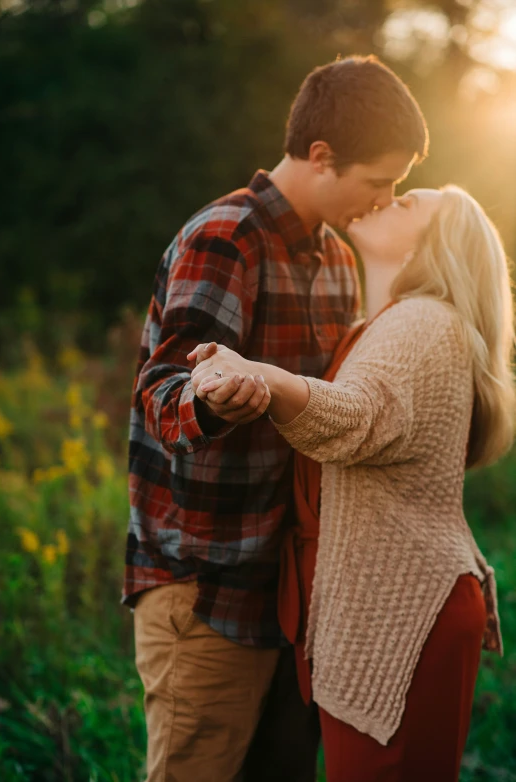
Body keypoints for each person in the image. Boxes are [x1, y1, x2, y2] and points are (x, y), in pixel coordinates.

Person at [124, 54, 428, 782]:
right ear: (321, 156)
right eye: (378, 182)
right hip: (206, 589)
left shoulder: (336, 260)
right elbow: (163, 388)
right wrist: (211, 398)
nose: (385, 201)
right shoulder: (227, 236)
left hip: (293, 590)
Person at [189, 184, 515, 781]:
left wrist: (256, 374)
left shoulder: (422, 321)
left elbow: (355, 416)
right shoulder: (386, 324)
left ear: (436, 244)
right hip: (389, 609)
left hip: (402, 614)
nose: (386, 199)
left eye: (408, 202)